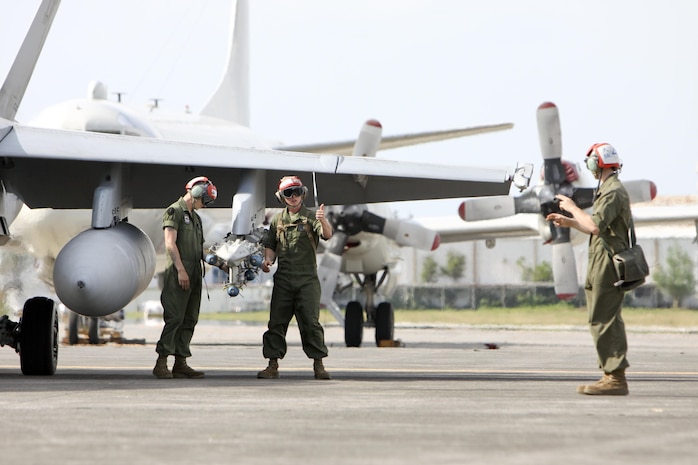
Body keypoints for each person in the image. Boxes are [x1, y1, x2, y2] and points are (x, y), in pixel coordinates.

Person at [546, 143, 631, 396]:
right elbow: (596, 226)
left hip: (607, 261)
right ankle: (610, 374)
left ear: (599, 162)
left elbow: (594, 227)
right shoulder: (606, 189)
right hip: (600, 258)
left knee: (604, 319)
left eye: (590, 160)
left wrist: (572, 207)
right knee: (600, 317)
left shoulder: (613, 191)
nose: (588, 166)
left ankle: (615, 377)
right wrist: (570, 221)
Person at [257, 176, 333, 380]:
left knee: (310, 322)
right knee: (276, 323)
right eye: (288, 193)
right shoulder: (277, 220)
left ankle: (319, 364)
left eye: (296, 192)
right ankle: (272, 365)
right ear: (282, 197)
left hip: (307, 279)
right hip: (283, 279)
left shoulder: (311, 217)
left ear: (303, 193)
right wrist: (268, 261)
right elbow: (271, 245)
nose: (293, 197)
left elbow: (327, 235)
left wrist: (323, 219)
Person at [153, 176, 218, 379]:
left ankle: (180, 362)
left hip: (195, 274)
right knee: (175, 318)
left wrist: (219, 261)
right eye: (205, 199)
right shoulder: (175, 211)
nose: (204, 205)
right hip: (179, 273)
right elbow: (170, 244)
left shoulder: (195, 218)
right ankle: (161, 362)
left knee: (190, 319)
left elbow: (200, 249)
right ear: (197, 193)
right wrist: (181, 270)